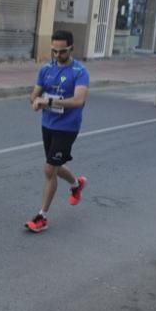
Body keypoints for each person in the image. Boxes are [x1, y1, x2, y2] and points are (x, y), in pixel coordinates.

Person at [25, 30, 89, 233]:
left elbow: (79, 100)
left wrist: (50, 100)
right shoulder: (46, 69)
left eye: (62, 52)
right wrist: (35, 101)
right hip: (48, 124)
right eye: (54, 51)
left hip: (67, 126)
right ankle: (76, 184)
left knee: (49, 169)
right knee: (56, 164)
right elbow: (34, 94)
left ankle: (41, 216)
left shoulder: (80, 72)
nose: (57, 55)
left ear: (71, 48)